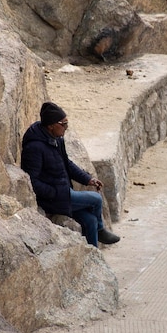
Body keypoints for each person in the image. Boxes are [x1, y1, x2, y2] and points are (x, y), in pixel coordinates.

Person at [21, 101, 120, 247]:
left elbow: (67, 164)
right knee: (96, 199)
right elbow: (32, 181)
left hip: (63, 193)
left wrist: (88, 179)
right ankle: (100, 231)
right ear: (51, 126)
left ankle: (93, 256)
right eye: (64, 124)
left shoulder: (56, 139)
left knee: (90, 221)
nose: (66, 128)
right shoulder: (34, 148)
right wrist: (55, 193)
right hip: (53, 198)